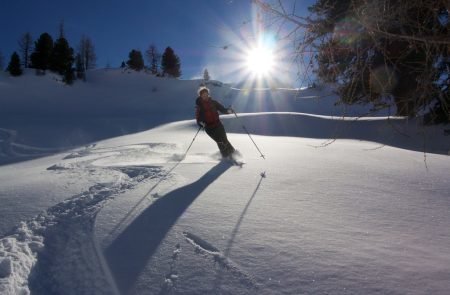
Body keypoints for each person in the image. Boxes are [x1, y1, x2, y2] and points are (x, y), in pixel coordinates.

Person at [195, 86, 235, 158]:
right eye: (203, 95)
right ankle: (226, 156)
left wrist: (229, 111)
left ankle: (233, 153)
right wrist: (201, 123)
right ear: (200, 96)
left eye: (206, 94)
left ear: (208, 94)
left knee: (224, 139)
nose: (205, 96)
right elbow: (198, 119)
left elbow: (223, 109)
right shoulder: (200, 107)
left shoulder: (214, 102)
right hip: (209, 128)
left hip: (218, 125)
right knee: (220, 141)